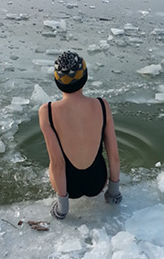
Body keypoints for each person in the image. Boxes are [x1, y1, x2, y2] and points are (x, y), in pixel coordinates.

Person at [39, 51, 122, 219]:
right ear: (85, 77)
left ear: (57, 81)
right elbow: (114, 155)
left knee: (52, 163)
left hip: (70, 187)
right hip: (97, 183)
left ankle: (62, 203)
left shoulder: (47, 111)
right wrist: (113, 193)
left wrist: (62, 208)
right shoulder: (101, 105)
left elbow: (58, 163)